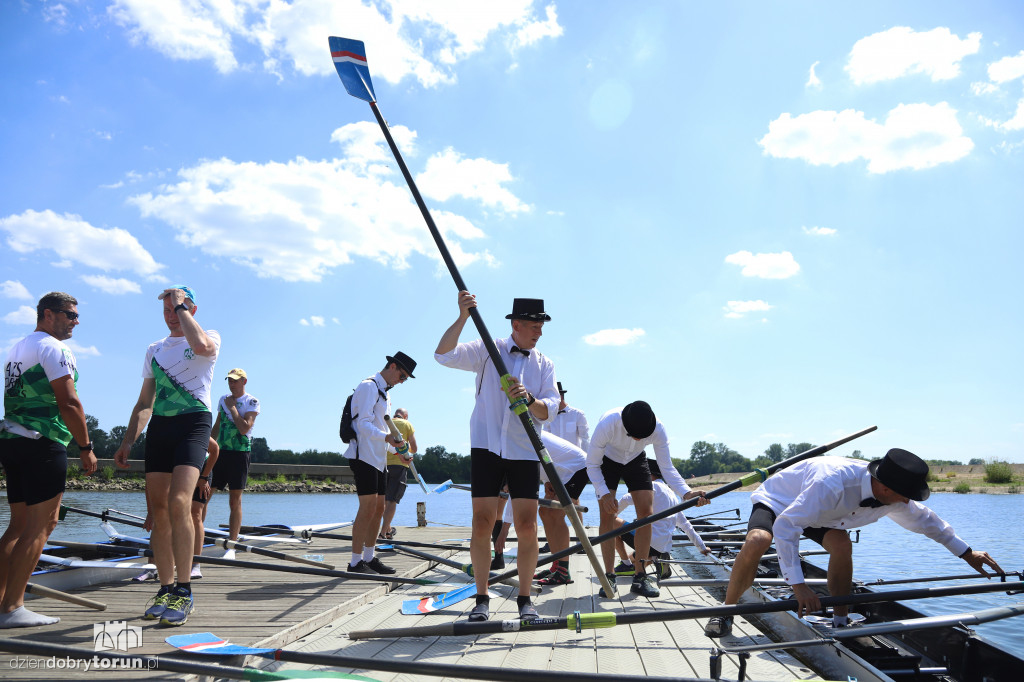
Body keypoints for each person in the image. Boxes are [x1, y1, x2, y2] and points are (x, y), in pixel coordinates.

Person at [703, 448, 1006, 638]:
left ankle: (839, 621)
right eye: (904, 496)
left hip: (823, 513)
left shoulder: (894, 494)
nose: (907, 502)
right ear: (885, 487)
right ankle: (725, 612)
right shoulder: (831, 483)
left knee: (842, 545)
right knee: (759, 539)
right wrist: (798, 586)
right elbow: (786, 526)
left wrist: (967, 553)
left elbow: (927, 521)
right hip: (780, 501)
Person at [435, 292, 559, 622]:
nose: (539, 332)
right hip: (486, 445)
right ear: (516, 325)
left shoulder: (545, 364)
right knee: (482, 523)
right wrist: (462, 316)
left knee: (527, 526)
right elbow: (443, 355)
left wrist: (529, 399)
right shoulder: (488, 350)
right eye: (534, 325)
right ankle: (481, 597)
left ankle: (524, 598)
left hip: (523, 451)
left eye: (541, 325)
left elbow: (550, 410)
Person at [114, 285, 220, 626]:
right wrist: (128, 440)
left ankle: (185, 590)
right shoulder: (154, 349)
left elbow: (201, 346)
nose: (171, 315)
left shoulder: (208, 336)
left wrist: (182, 305)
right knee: (158, 511)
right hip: (161, 426)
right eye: (166, 311)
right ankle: (165, 587)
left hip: (193, 422)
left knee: (179, 502)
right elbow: (145, 402)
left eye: (176, 309)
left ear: (191, 309)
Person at [0, 292, 97, 628]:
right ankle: (13, 607)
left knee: (18, 525)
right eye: (70, 315)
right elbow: (69, 402)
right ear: (48, 315)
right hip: (42, 442)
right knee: (43, 525)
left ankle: (2, 602)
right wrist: (86, 447)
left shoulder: (18, 347)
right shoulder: (54, 348)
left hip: (12, 441)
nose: (75, 321)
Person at [586, 401, 708, 599]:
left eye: (642, 436)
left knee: (646, 514)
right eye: (633, 434)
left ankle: (640, 576)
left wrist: (687, 493)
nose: (637, 438)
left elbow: (666, 467)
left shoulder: (658, 428)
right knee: (607, 515)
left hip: (635, 461)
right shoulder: (608, 423)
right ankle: (609, 576)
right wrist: (605, 494)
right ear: (625, 424)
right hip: (607, 461)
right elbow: (591, 464)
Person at [345, 352, 416, 575]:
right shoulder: (368, 386)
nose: (402, 381)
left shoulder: (384, 393)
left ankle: (369, 557)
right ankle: (355, 562)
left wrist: (397, 450)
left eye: (406, 378)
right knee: (367, 508)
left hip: (379, 458)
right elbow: (362, 425)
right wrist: (387, 439)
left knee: (379, 508)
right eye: (402, 375)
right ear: (392, 366)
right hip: (363, 456)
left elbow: (384, 431)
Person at [493, 431, 590, 586]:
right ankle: (556, 565)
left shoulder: (515, 443)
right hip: (559, 469)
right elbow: (544, 458)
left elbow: (515, 494)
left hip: (576, 468)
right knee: (544, 512)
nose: (504, 491)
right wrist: (547, 479)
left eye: (503, 488)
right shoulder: (513, 440)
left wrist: (504, 531)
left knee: (556, 515)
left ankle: (563, 572)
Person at [612, 457, 710, 580]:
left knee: (610, 522)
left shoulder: (650, 486)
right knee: (640, 549)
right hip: (662, 547)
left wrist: (614, 514)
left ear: (648, 475)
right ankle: (653, 559)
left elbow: (626, 499)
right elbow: (686, 526)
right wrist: (702, 547)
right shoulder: (672, 494)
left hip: (648, 543)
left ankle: (627, 565)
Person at [210, 368, 260, 557]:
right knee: (203, 495)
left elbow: (243, 428)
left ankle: (232, 542)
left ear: (244, 381)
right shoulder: (223, 399)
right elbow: (217, 425)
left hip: (239, 454)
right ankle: (194, 530)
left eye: (235, 381)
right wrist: (206, 447)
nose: (232, 384)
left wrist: (232, 408)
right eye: (229, 381)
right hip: (220, 453)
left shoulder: (252, 402)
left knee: (234, 500)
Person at [380, 408, 418, 541]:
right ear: (405, 416)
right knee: (392, 501)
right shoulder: (407, 424)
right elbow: (414, 447)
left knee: (384, 500)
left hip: (382, 464)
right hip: (399, 465)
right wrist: (408, 452)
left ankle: (388, 530)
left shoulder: (387, 423)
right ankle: (383, 533)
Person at [190, 437, 220, 578]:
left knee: (195, 514)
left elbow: (215, 449)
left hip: (201, 469)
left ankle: (196, 564)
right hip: (178, 467)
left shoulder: (193, 422)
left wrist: (204, 477)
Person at [544, 382, 589, 451]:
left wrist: (586, 459)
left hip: (575, 459)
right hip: (556, 460)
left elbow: (585, 439)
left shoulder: (578, 414)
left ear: (560, 397)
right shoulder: (549, 417)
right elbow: (546, 441)